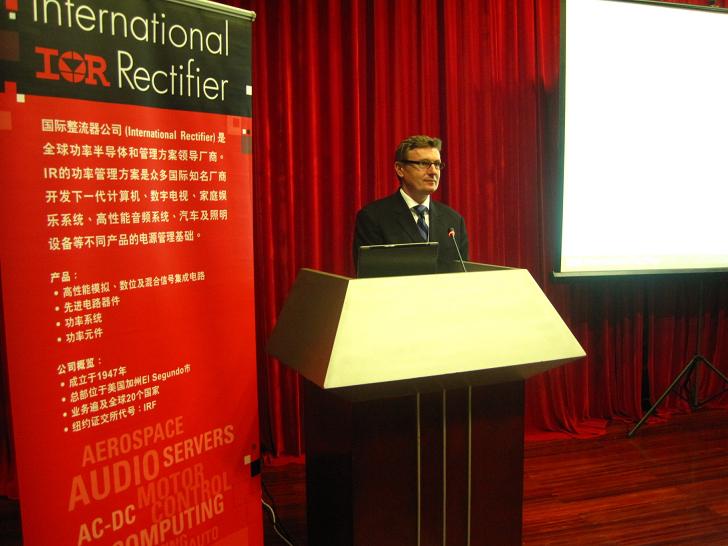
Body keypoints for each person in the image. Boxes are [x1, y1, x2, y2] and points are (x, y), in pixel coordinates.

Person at [353, 135, 469, 271]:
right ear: (400, 169)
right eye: (424, 163)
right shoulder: (373, 218)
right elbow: (370, 275)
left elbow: (462, 276)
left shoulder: (453, 221)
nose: (433, 171)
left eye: (437, 164)